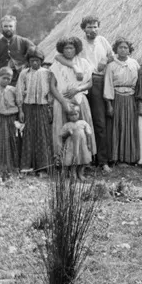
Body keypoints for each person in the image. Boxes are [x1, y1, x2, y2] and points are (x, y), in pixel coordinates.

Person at [54, 15, 114, 173]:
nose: (92, 30)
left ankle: (102, 161)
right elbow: (58, 56)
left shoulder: (102, 41)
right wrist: (74, 67)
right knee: (77, 121)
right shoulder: (78, 44)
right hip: (79, 83)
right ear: (83, 28)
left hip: (97, 81)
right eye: (89, 27)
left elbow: (111, 55)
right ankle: (77, 160)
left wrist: (105, 60)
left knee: (99, 121)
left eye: (95, 26)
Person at [50, 37, 97, 163]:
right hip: (62, 100)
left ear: (76, 49)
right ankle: (63, 161)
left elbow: (89, 83)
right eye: (66, 48)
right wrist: (63, 102)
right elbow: (52, 86)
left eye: (71, 48)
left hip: (79, 99)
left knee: (81, 129)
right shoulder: (57, 64)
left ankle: (83, 161)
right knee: (63, 130)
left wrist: (77, 89)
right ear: (62, 50)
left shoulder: (83, 63)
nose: (69, 51)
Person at [15, 47, 53, 175]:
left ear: (41, 61)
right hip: (28, 107)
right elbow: (19, 91)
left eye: (37, 60)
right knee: (28, 135)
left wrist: (50, 108)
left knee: (43, 135)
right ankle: (27, 166)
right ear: (28, 61)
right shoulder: (24, 73)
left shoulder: (47, 73)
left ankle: (43, 167)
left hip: (42, 107)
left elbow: (51, 91)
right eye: (32, 61)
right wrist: (20, 110)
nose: (35, 63)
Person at [104, 38, 140, 165]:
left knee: (129, 126)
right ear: (116, 49)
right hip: (117, 98)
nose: (123, 50)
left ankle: (129, 158)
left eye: (125, 47)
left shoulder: (134, 64)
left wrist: (138, 101)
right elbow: (108, 85)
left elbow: (139, 83)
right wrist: (109, 105)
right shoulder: (111, 65)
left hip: (130, 98)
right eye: (120, 47)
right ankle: (116, 158)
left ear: (129, 50)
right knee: (117, 127)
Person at [0, 67, 21, 183]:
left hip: (11, 118)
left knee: (12, 141)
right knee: (0, 141)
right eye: (4, 78)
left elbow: (18, 102)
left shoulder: (13, 90)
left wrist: (20, 113)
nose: (6, 80)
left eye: (9, 78)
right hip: (0, 119)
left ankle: (12, 167)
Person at [0, 15, 35, 89]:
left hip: (20, 82)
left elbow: (37, 54)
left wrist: (26, 65)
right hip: (0, 82)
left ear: (14, 27)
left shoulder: (24, 42)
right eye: (5, 26)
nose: (8, 28)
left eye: (11, 26)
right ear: (1, 27)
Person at [59, 105, 93, 181]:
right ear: (68, 116)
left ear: (79, 114)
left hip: (82, 145)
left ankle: (80, 173)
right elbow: (62, 135)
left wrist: (89, 144)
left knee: (82, 159)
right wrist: (68, 133)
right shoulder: (67, 125)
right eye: (71, 115)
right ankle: (73, 173)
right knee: (73, 159)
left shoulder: (83, 123)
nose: (74, 117)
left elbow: (88, 133)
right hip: (72, 146)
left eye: (76, 114)